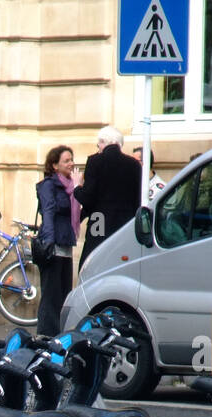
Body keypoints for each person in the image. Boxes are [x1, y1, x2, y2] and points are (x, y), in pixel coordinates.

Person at [74, 125, 142, 270]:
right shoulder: (135, 165)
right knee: (120, 264)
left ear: (103, 142)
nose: (98, 148)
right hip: (125, 224)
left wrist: (77, 187)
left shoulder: (95, 161)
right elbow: (138, 201)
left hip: (99, 221)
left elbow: (87, 198)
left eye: (98, 144)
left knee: (92, 263)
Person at [36, 145, 78, 336]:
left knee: (63, 293)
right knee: (51, 295)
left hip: (66, 242)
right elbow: (49, 212)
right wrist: (49, 243)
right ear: (54, 165)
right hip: (53, 244)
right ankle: (46, 335)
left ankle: (59, 334)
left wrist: (77, 189)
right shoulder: (49, 185)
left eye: (72, 159)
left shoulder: (71, 186)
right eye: (66, 161)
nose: (71, 163)